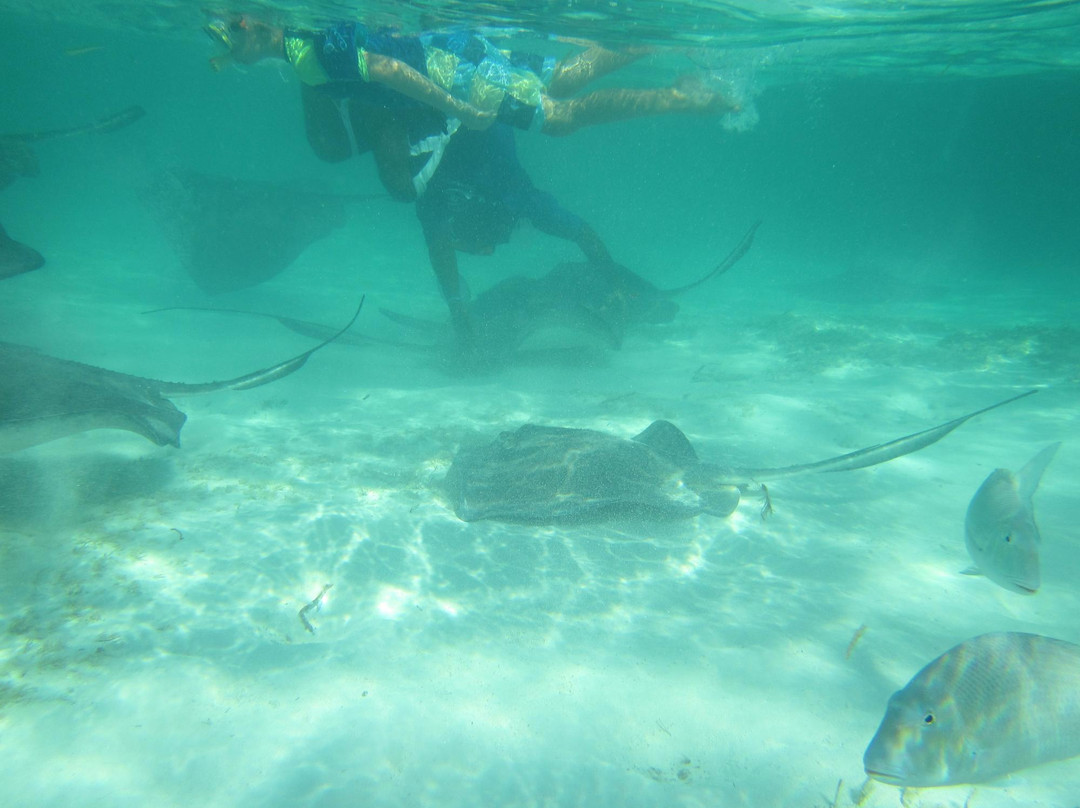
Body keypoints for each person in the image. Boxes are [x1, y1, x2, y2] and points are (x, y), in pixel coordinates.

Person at [205, 16, 738, 201]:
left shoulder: (310, 54)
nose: (224, 42)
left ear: (252, 25)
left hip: (454, 74)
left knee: (558, 117)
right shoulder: (305, 37)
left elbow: (388, 69)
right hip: (455, 50)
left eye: (227, 30)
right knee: (554, 75)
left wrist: (456, 106)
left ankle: (680, 98)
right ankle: (652, 40)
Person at [415, 122, 612, 350]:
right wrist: (457, 308)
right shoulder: (438, 196)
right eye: (484, 242)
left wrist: (612, 283)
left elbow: (582, 232)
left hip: (483, 130)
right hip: (448, 132)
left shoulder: (520, 197)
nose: (489, 251)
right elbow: (440, 245)